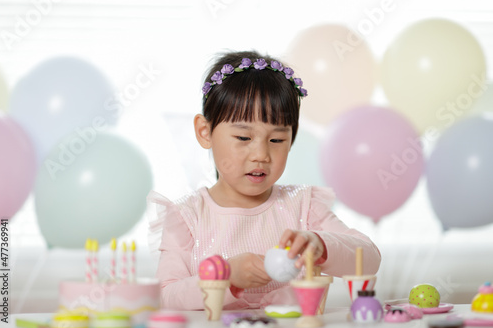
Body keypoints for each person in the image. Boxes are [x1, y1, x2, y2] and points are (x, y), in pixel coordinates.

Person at [148, 50, 381, 310]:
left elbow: (369, 257)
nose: (261, 155)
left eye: (276, 140)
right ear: (205, 132)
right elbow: (166, 296)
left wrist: (321, 245)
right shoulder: (187, 217)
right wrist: (225, 276)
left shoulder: (303, 206)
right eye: (244, 138)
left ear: (291, 139)